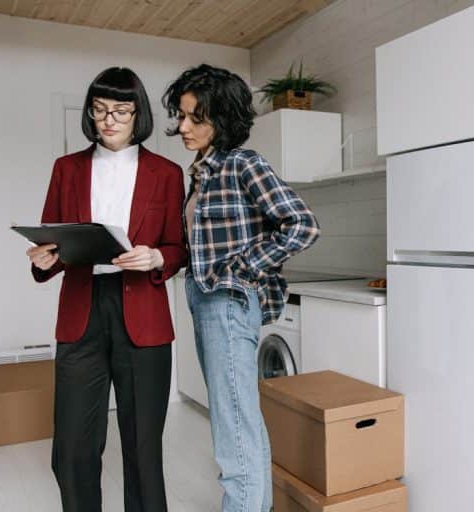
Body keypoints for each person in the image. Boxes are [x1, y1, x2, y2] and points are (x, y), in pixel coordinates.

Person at [26, 67, 186, 512]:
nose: (109, 119)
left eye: (120, 110)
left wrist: (157, 257)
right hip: (82, 312)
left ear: (138, 114)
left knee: (142, 451)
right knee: (72, 450)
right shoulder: (66, 169)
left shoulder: (167, 172)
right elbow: (51, 241)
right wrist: (44, 260)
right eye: (99, 110)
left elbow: (177, 246)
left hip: (144, 316)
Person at [162, 64, 320, 512]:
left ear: (224, 120)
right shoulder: (200, 174)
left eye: (197, 118)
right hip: (204, 298)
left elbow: (302, 225)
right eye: (182, 115)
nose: (184, 127)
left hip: (227, 301)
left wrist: (243, 267)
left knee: (234, 423)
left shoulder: (242, 164)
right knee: (234, 419)